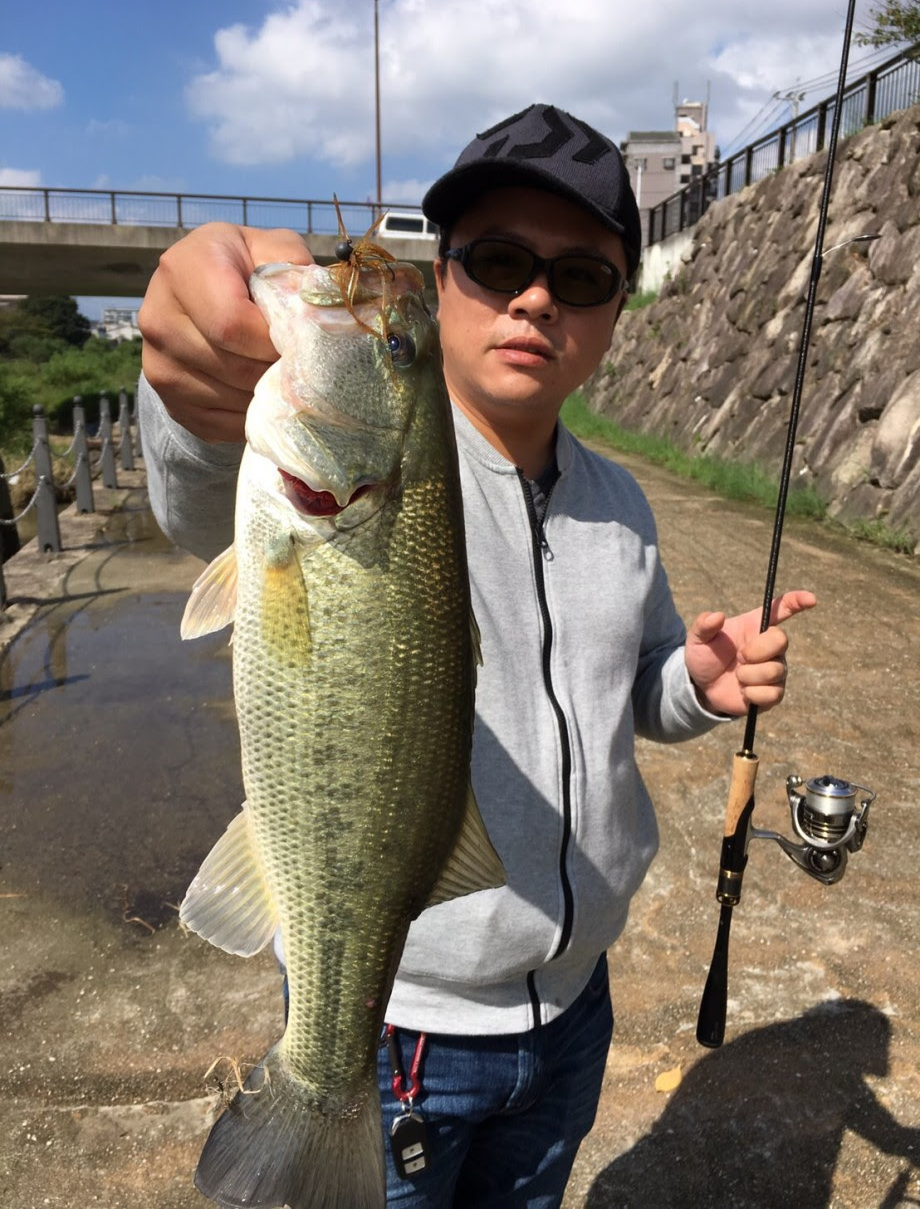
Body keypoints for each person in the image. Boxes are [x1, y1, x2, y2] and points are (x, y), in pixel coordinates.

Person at [138, 102, 815, 1208]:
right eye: (497, 262)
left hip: (573, 1006)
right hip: (404, 1024)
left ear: (612, 313)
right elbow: (196, 478)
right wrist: (184, 392)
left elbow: (623, 690)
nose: (535, 297)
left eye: (580, 279)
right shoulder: (346, 466)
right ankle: (319, 1091)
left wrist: (692, 682)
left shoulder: (620, 504)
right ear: (444, 279)